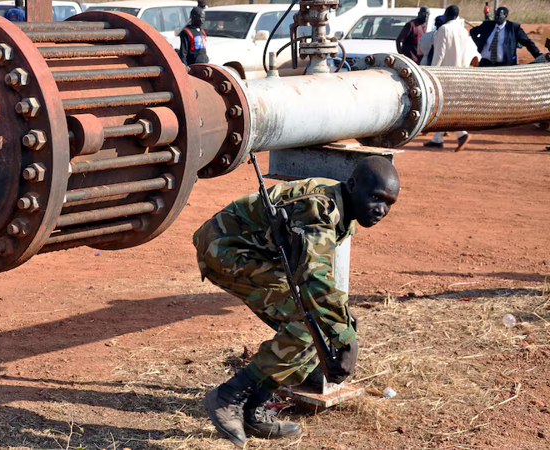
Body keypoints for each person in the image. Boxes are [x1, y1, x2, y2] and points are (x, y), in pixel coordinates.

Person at [194, 156, 400, 447]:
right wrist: (346, 338)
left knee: (320, 324)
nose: (381, 210)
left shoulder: (341, 209)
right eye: (376, 198)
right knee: (308, 324)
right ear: (353, 185)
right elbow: (315, 280)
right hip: (227, 249)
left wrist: (342, 321)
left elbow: (313, 275)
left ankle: (253, 408)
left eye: (389, 203)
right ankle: (228, 396)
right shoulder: (320, 209)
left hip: (256, 254)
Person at [426, 6, 476, 151]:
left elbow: (439, 53)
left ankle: (461, 134)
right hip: (459, 72)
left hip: (445, 73)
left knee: (445, 107)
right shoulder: (463, 30)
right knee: (448, 106)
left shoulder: (444, 29)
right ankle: (438, 138)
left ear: (447, 15)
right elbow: (466, 53)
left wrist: (432, 71)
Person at [470, 7, 543, 67]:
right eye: (496, 15)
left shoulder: (514, 28)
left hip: (505, 65)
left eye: (500, 16)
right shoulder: (487, 25)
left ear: (505, 16)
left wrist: (539, 56)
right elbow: (473, 32)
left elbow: (528, 43)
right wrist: (479, 44)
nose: (497, 18)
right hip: (486, 63)